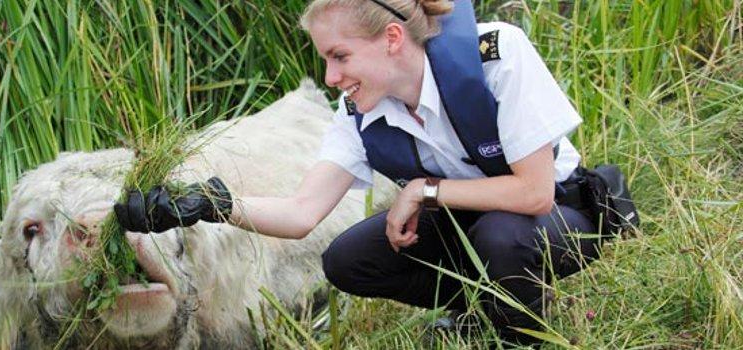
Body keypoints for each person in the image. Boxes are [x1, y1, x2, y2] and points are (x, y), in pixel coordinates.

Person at [114, 0, 607, 343]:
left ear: (392, 38)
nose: (331, 78)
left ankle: (520, 336)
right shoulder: (358, 112)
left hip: (558, 217)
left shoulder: (497, 55)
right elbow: (300, 213)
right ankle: (484, 308)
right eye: (326, 60)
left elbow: (535, 193)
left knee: (502, 236)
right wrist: (210, 205)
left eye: (340, 56)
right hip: (471, 222)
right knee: (348, 259)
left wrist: (424, 189)